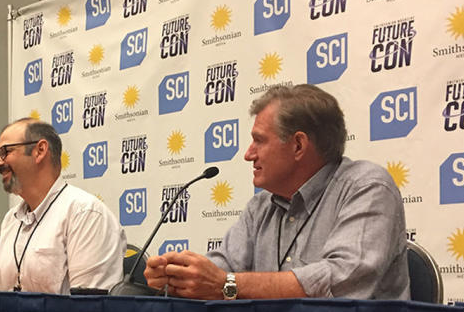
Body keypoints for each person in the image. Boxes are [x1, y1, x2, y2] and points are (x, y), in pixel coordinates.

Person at [145, 84, 409, 300]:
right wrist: (178, 277)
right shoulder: (260, 207)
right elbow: (221, 269)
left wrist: (227, 285)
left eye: (259, 140)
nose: (248, 154)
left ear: (298, 145)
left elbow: (341, 281)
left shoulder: (367, 187)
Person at [0, 118, 126, 293]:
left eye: (5, 151)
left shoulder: (85, 214)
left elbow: (89, 310)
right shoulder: (11, 220)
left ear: (39, 151)